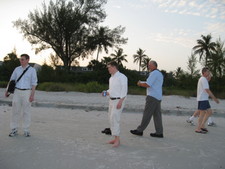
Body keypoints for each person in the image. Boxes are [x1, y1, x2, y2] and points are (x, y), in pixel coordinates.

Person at [5, 54, 38, 137]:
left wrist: (32, 95)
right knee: (15, 111)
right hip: (17, 91)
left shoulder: (32, 70)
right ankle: (14, 129)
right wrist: (7, 91)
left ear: (27, 60)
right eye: (20, 59)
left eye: (22, 59)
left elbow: (34, 83)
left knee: (26, 111)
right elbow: (11, 80)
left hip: (27, 92)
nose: (21, 61)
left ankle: (26, 130)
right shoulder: (17, 69)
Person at [130, 60, 164, 138]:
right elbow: (152, 83)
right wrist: (142, 82)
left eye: (149, 65)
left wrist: (140, 84)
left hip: (152, 97)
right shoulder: (159, 73)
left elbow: (148, 84)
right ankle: (159, 132)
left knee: (147, 114)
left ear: (154, 66)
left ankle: (140, 130)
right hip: (158, 97)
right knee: (157, 115)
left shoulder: (154, 73)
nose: (148, 66)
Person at [102, 61, 128, 147]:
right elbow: (111, 90)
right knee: (110, 119)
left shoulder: (122, 77)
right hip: (111, 101)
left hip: (118, 100)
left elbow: (124, 91)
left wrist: (120, 102)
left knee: (115, 119)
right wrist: (105, 92)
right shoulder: (111, 78)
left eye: (109, 67)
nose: (108, 69)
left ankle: (117, 140)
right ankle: (115, 138)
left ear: (114, 67)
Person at [195, 67, 219, 134]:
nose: (209, 73)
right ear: (204, 73)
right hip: (202, 99)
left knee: (209, 112)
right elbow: (207, 90)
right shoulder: (203, 79)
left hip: (204, 99)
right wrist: (214, 98)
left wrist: (209, 74)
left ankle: (202, 125)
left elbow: (209, 78)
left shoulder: (204, 79)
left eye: (209, 72)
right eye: (207, 72)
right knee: (202, 113)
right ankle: (198, 128)